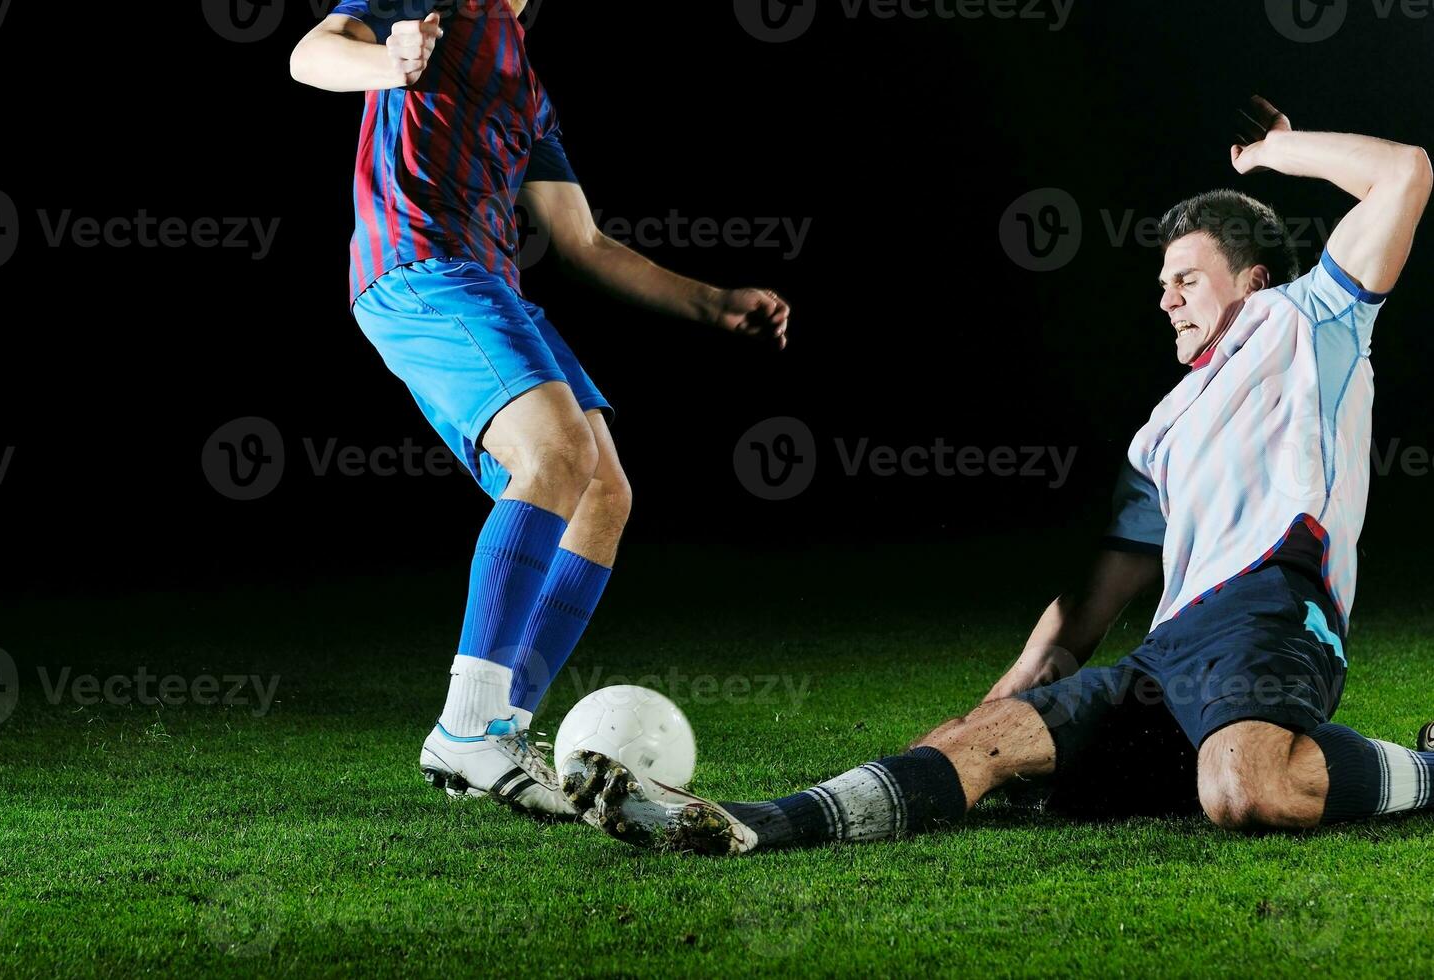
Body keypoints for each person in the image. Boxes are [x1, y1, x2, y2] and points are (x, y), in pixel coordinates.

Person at [566, 98, 1433, 854]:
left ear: (1251, 278)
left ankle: (1423, 767)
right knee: (982, 745)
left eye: (1185, 277)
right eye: (1159, 281)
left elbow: (1404, 174)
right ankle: (748, 821)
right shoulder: (1157, 437)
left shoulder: (1308, 321)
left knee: (1244, 791)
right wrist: (991, 713)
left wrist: (1269, 153)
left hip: (1273, 615)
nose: (1164, 297)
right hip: (1169, 655)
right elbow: (1080, 618)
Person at [290, 0, 791, 818]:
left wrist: (713, 303)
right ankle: (464, 726)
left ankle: (498, 728)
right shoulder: (434, 5)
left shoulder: (524, 84)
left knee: (604, 495)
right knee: (555, 451)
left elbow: (581, 241)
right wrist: (393, 60)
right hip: (421, 268)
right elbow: (310, 55)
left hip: (491, 288)